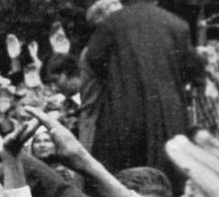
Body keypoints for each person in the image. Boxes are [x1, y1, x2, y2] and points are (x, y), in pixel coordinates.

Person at [84, 0, 205, 179]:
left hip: (124, 108)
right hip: (168, 112)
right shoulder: (176, 24)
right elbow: (193, 67)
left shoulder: (111, 24)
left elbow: (94, 58)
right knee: (169, 170)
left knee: (127, 174)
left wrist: (116, 75)